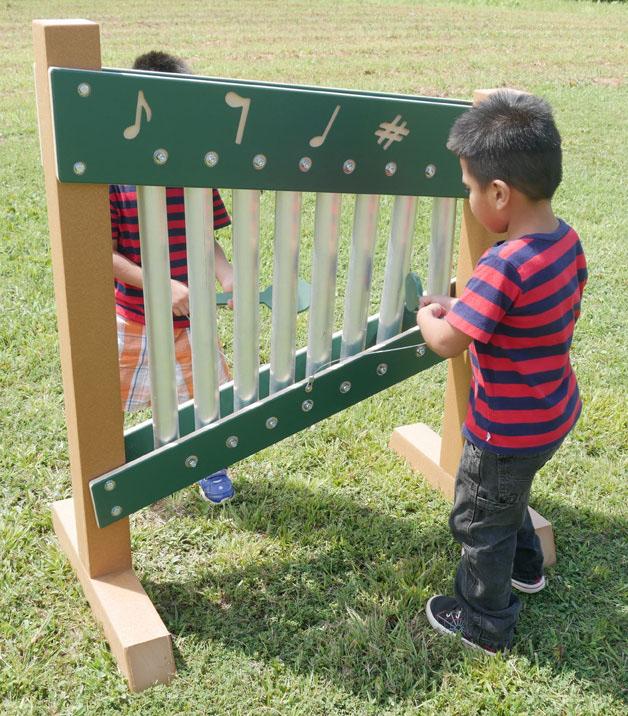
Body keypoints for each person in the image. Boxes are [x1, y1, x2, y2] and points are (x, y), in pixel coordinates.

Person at [417, 90, 587, 654]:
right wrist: (468, 299)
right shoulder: (564, 242)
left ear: (498, 193)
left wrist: (428, 312)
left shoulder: (502, 263)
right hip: (552, 413)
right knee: (510, 498)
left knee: (480, 519)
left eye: (468, 188)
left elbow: (447, 340)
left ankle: (484, 620)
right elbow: (534, 310)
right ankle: (527, 570)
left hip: (503, 432)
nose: (467, 198)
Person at [111, 51, 236, 505]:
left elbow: (208, 240)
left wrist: (226, 274)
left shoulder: (195, 174)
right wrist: (157, 284)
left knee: (207, 397)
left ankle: (209, 461)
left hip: (192, 319)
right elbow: (101, 256)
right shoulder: (114, 175)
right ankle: (114, 469)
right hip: (134, 317)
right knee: (109, 402)